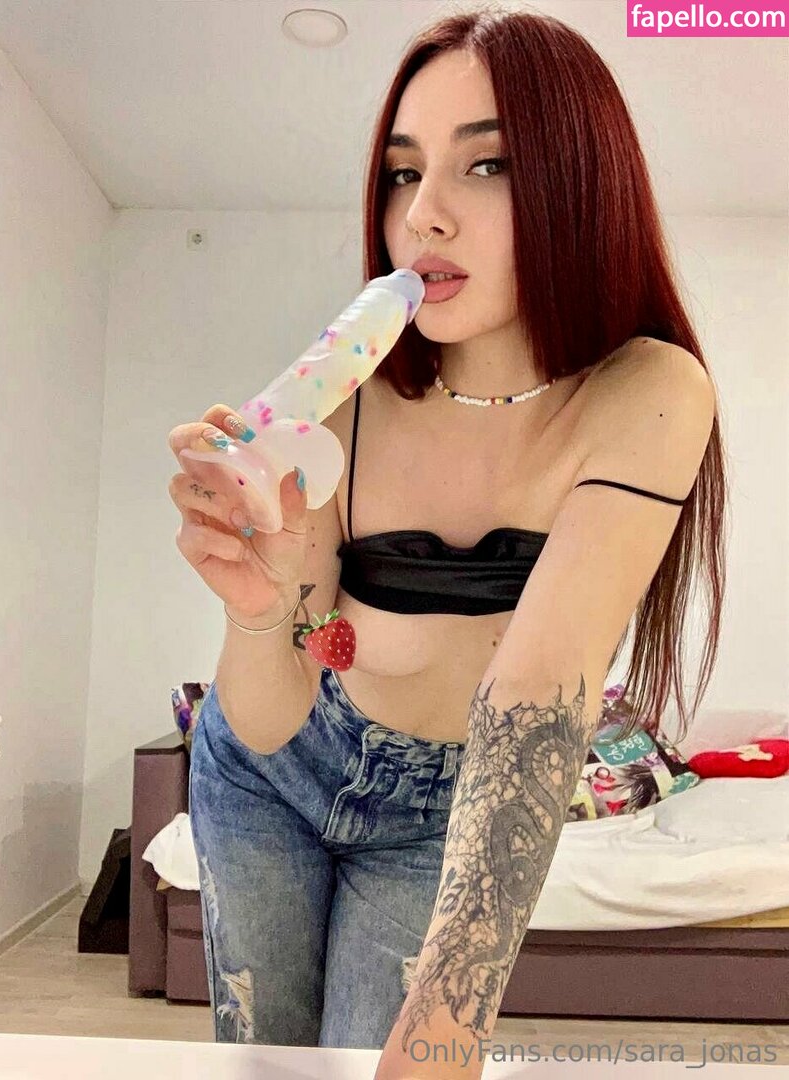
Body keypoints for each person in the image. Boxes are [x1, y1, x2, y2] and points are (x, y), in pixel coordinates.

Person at [166, 7, 727, 1070]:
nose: (421, 216)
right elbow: (270, 712)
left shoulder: (644, 393)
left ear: (579, 182)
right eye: (401, 173)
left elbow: (540, 692)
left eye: (486, 165)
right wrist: (258, 606)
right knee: (265, 1065)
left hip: (445, 810)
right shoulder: (353, 399)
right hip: (270, 775)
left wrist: (449, 1016)